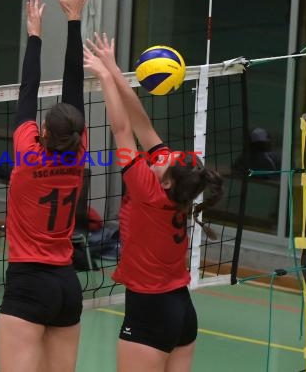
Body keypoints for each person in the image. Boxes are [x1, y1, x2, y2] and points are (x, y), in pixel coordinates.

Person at [83, 33, 224, 372]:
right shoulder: (175, 187)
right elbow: (142, 123)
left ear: (167, 179)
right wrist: (116, 69)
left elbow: (121, 129)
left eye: (166, 157)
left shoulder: (147, 189)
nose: (161, 153)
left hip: (150, 310)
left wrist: (103, 77)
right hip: (180, 310)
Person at [0, 0, 88, 372]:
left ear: (44, 132)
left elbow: (27, 91)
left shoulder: (28, 154)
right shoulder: (78, 156)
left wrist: (34, 34)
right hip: (67, 285)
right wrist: (74, 20)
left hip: (29, 282)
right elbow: (74, 89)